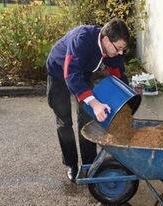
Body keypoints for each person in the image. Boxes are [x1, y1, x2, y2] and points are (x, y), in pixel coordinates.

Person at [46, 18, 130, 182]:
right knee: (64, 121)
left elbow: (118, 70)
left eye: (123, 49)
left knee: (86, 120)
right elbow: (70, 74)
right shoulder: (82, 39)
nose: (120, 53)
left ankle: (89, 164)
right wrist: (95, 103)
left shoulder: (111, 49)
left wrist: (126, 95)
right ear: (106, 39)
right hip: (58, 72)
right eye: (118, 48)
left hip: (82, 74)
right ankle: (71, 164)